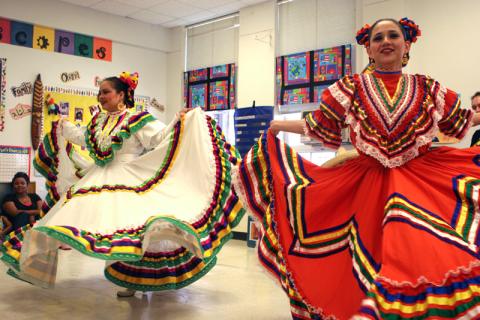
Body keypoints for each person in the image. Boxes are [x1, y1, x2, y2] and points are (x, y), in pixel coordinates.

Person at [235, 18, 480, 319]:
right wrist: (277, 125)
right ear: (369, 49)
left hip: (421, 183)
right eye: (378, 38)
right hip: (365, 185)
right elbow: (319, 126)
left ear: (407, 45)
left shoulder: (427, 87)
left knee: (429, 256)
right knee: (366, 264)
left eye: (393, 35)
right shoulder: (350, 88)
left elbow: (462, 120)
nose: (386, 41)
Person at [1, 72, 245, 298]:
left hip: (130, 178)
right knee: (91, 221)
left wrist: (178, 119)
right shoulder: (98, 121)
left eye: (106, 91)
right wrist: (64, 128)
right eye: (100, 92)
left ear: (121, 95)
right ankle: (123, 275)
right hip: (99, 177)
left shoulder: (137, 118)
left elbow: (159, 138)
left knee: (132, 227)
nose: (101, 96)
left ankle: (133, 279)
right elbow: (84, 139)